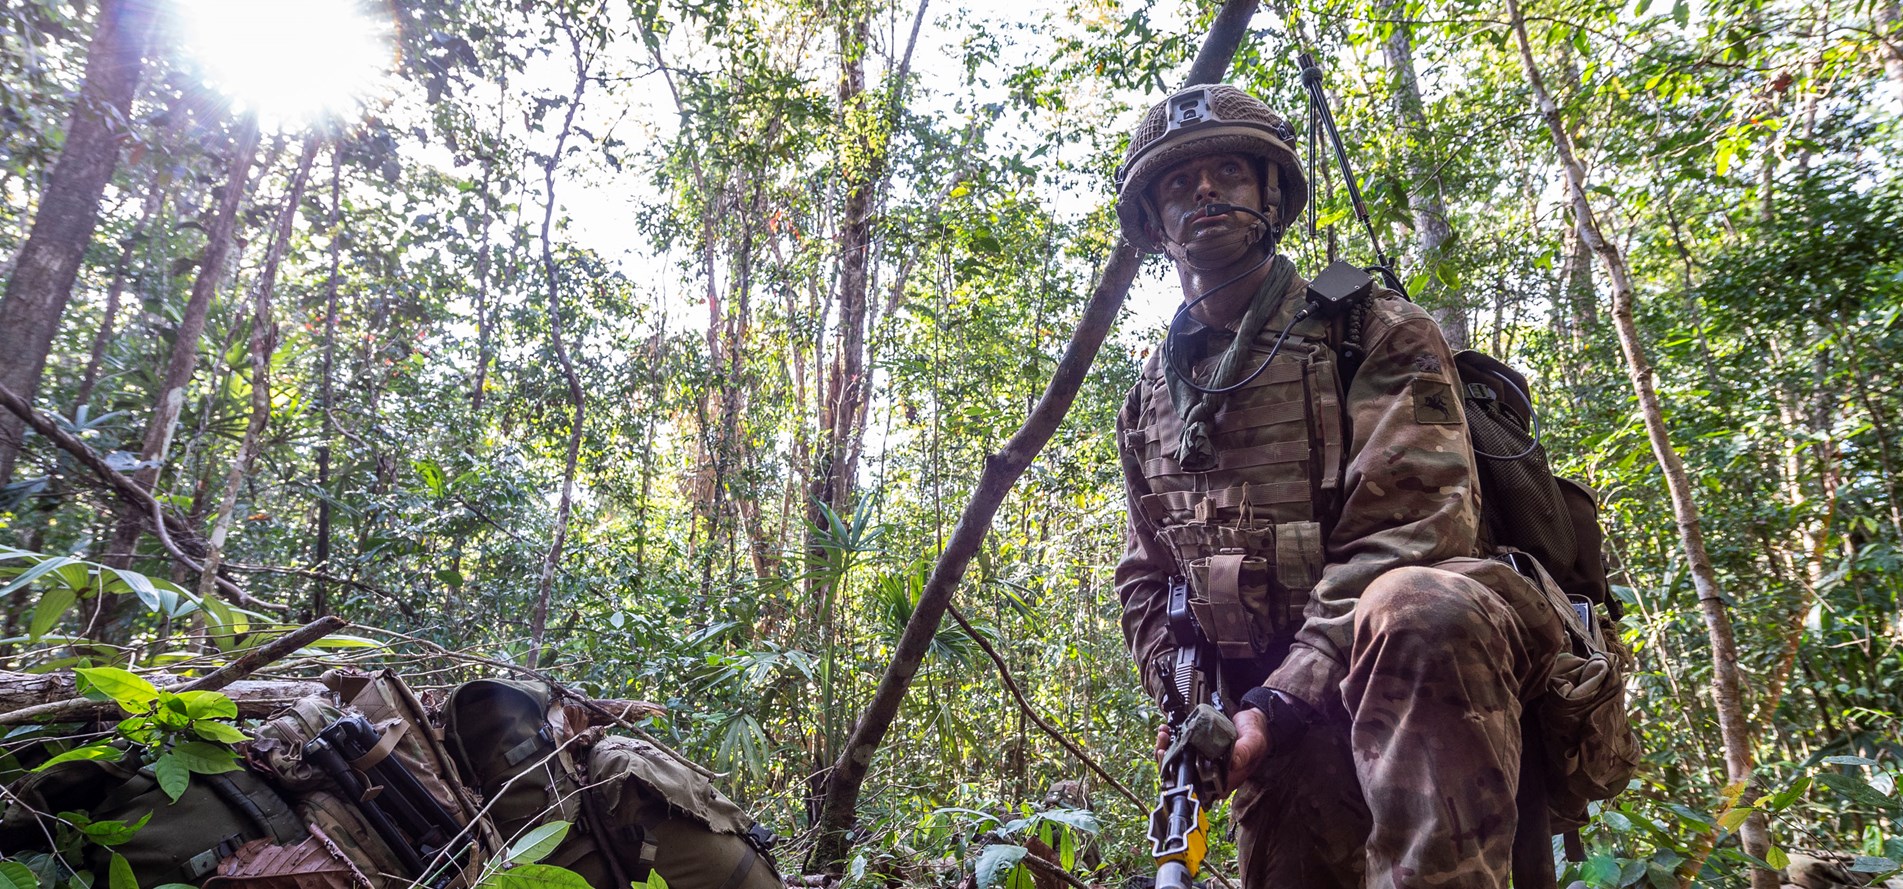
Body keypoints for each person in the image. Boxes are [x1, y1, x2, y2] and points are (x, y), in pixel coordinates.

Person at [1112, 84, 1567, 889]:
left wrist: (1276, 700)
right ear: (1155, 223)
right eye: (1180, 184)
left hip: (1431, 691)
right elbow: (1147, 577)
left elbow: (1416, 531)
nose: (1205, 192)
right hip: (1277, 712)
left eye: (1227, 172)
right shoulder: (1149, 394)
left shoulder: (1373, 331)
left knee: (1417, 605)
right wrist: (1195, 706)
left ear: (1272, 193)